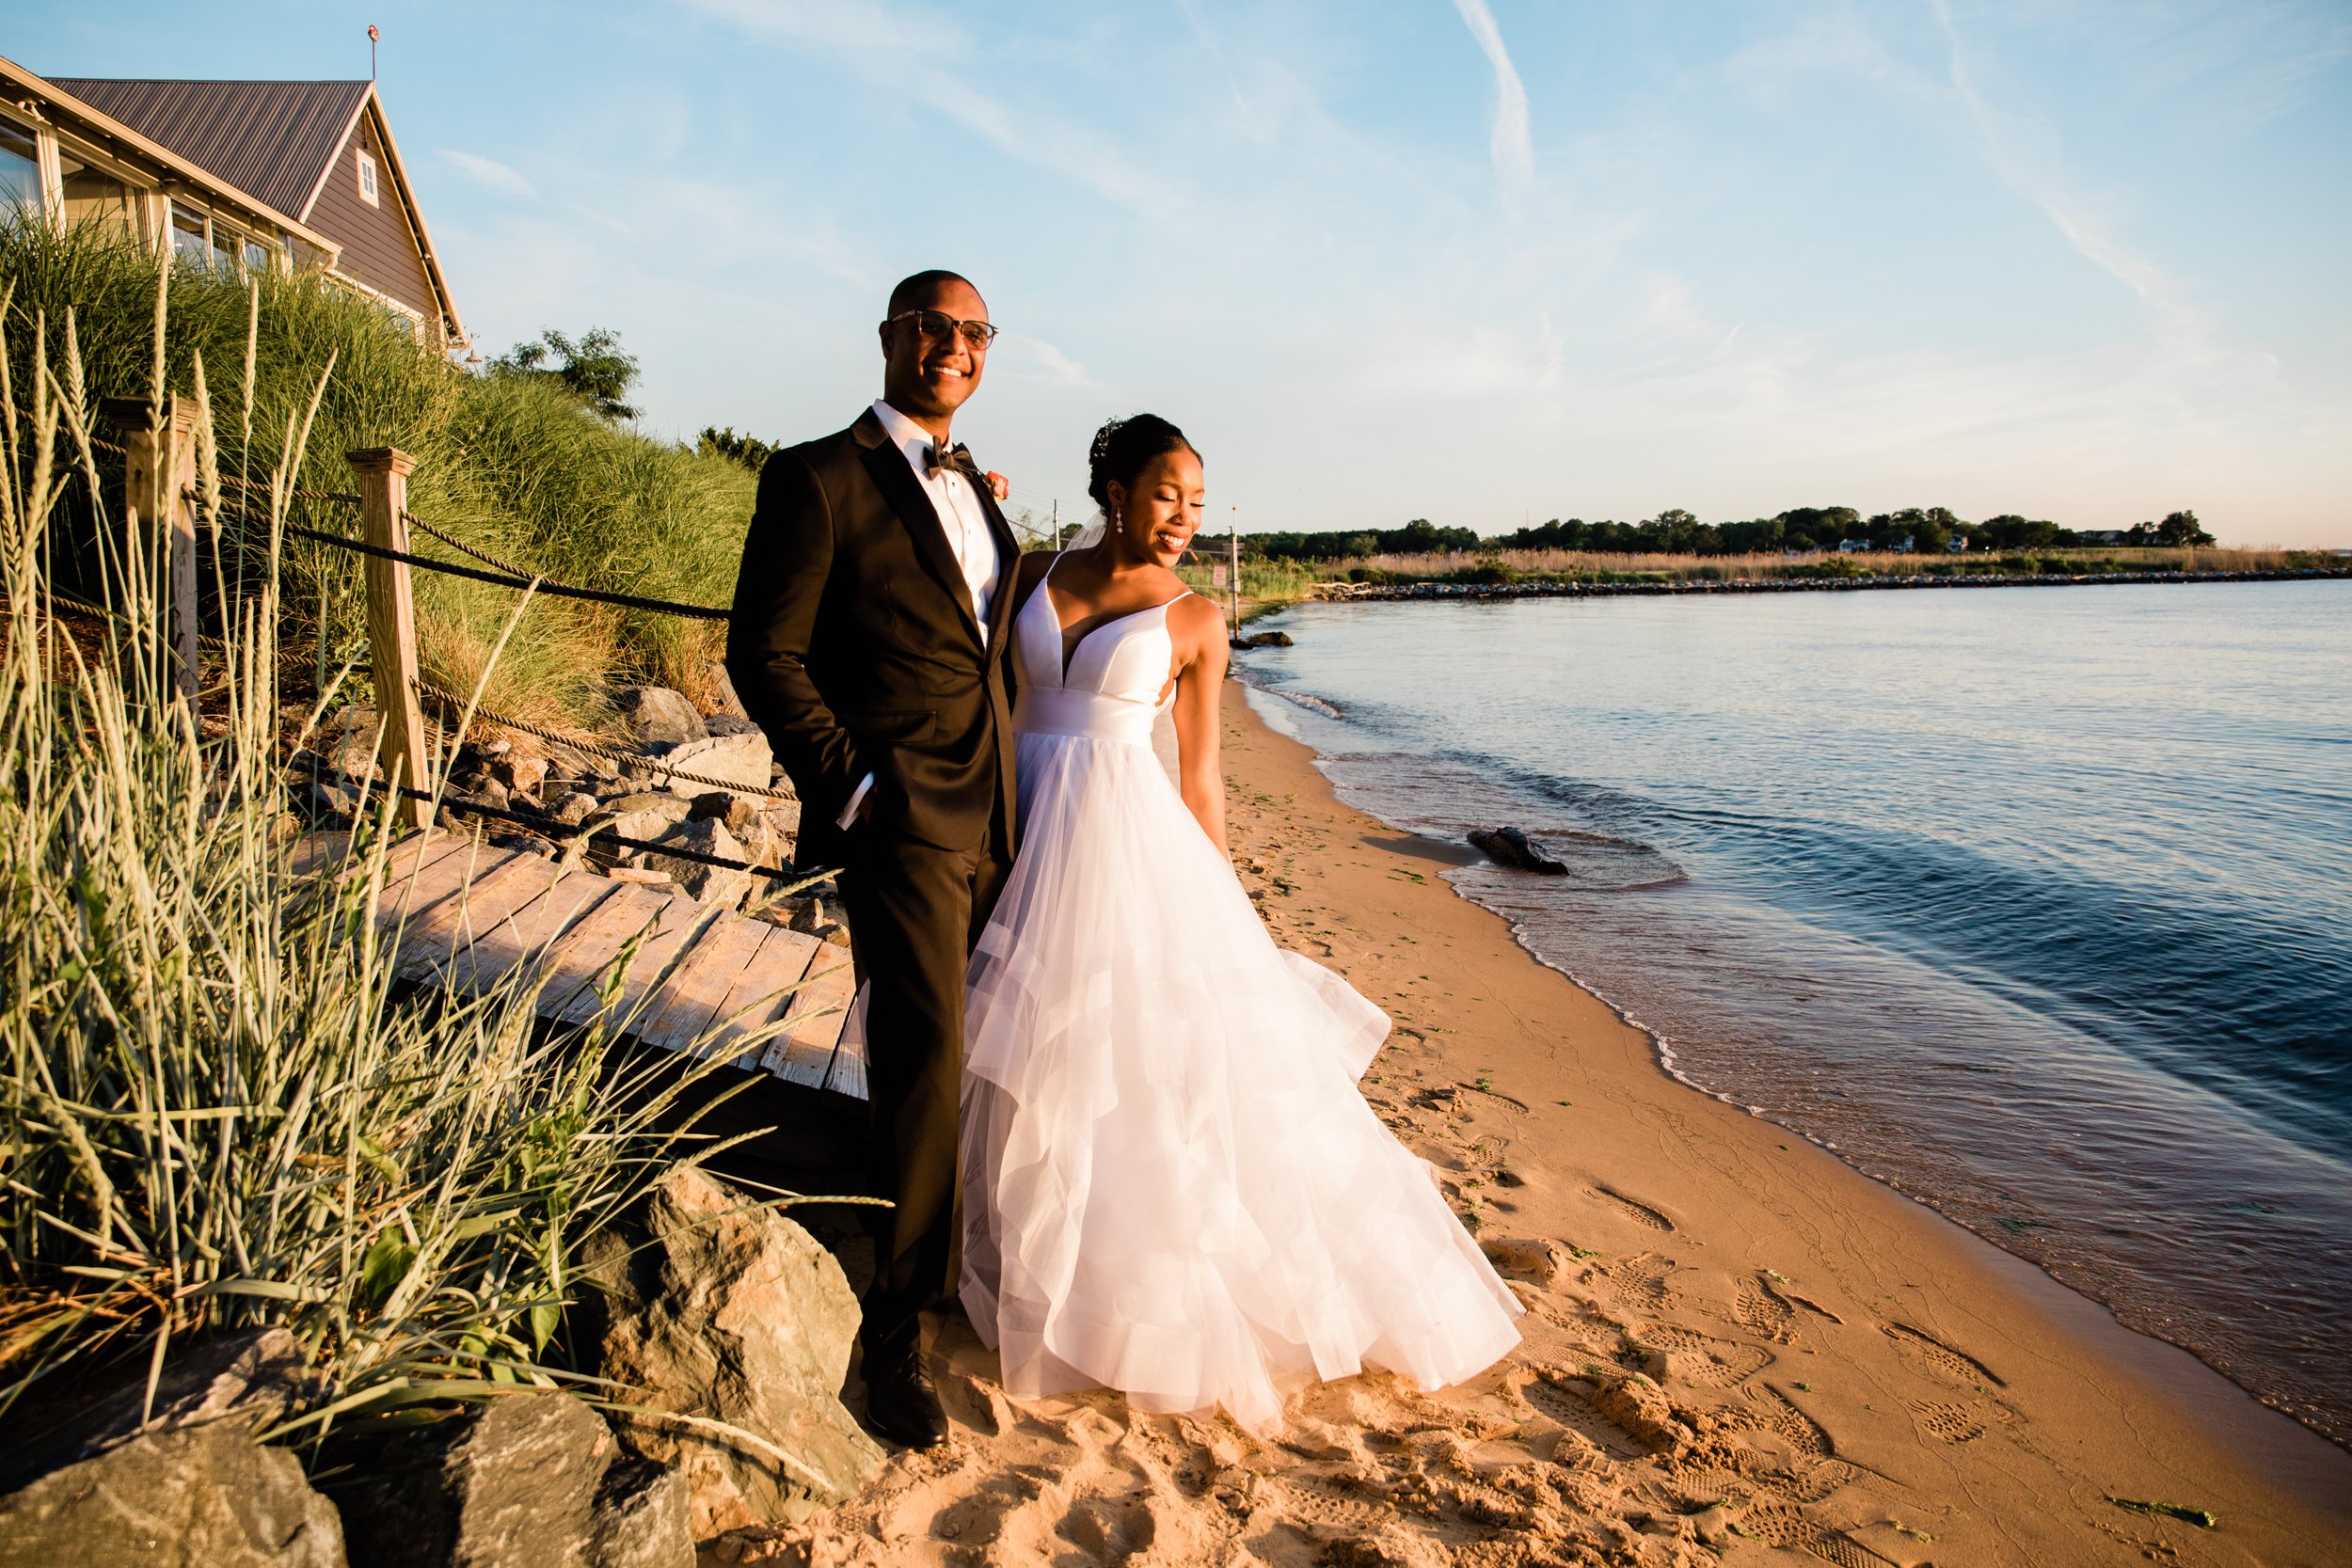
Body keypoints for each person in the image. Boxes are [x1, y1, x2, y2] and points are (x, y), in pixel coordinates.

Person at [958, 415, 1523, 1435]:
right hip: (1016, 820)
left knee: (1120, 1059)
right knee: (1017, 1037)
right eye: (1167, 492)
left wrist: (1225, 914)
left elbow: (1204, 779)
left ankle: (1117, 1290)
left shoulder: (1198, 620)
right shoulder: (1033, 569)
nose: (1183, 517)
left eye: (1199, 503)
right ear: (1116, 488)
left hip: (1121, 849)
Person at [725, 270, 1018, 1449]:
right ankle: (898, 1323)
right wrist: (851, 784)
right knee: (922, 1057)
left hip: (1005, 816)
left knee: (985, 1048)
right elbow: (763, 652)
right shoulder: (814, 476)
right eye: (930, 326)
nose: (951, 343)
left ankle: (960, 1259)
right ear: (889, 339)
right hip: (900, 820)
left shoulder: (978, 491)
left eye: (971, 331)